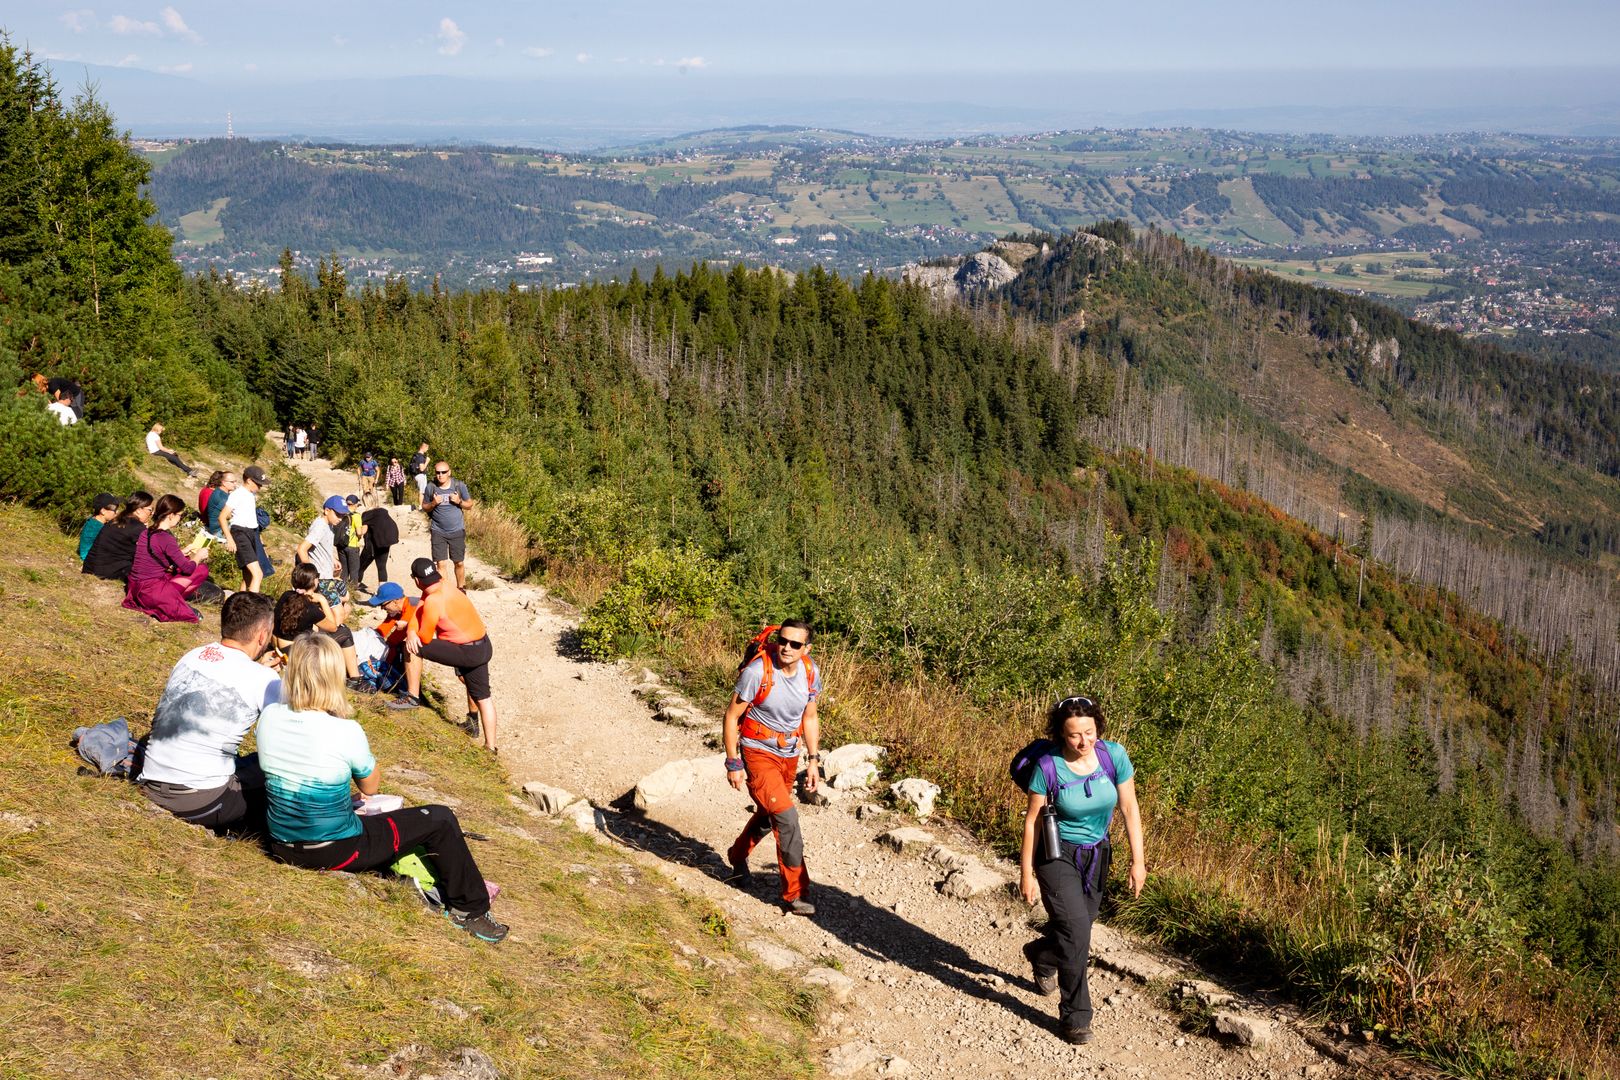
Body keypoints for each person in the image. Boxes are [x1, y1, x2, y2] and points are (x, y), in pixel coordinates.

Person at [257, 633, 508, 942]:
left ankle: (415, 880)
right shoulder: (345, 730)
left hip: (282, 844)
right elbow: (370, 787)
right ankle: (470, 910)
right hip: (334, 850)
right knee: (439, 819)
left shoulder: (269, 717)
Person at [1018, 695, 1146, 1046]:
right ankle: (1076, 1017)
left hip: (1096, 855)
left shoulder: (1113, 756)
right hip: (1055, 855)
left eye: (1089, 732)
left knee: (1079, 927)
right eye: (1074, 735)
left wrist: (1139, 861)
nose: (1083, 741)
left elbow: (1129, 808)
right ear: (1061, 734)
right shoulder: (1047, 767)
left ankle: (1042, 956)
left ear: (1098, 728)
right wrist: (1026, 872)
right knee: (1077, 933)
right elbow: (1031, 823)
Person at [136, 592, 281, 834]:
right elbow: (288, 740)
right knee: (272, 767)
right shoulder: (264, 679)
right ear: (262, 635)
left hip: (151, 783)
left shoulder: (192, 656)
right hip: (202, 802)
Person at [722, 620, 822, 916]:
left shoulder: (809, 671)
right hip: (757, 751)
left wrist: (813, 761)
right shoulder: (757, 672)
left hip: (789, 754)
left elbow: (811, 717)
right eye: (783, 641)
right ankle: (795, 894)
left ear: (807, 649)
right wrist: (733, 762)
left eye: (795, 644)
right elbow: (731, 716)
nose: (786, 648)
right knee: (788, 819)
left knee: (769, 816)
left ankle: (736, 856)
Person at [388, 558, 497, 752]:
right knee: (482, 695)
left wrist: (411, 634)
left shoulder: (433, 600)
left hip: (466, 650)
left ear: (415, 580)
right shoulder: (442, 584)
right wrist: (411, 629)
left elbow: (425, 638)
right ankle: (490, 746)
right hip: (482, 645)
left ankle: (412, 697)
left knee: (411, 646)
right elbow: (417, 613)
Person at [123, 493, 213, 623]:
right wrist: (198, 556)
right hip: (151, 592)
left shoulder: (146, 532)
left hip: (135, 587)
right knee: (202, 569)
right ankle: (175, 600)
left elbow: (156, 557)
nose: (180, 519)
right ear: (171, 515)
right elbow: (188, 569)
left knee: (187, 563)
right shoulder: (166, 538)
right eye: (180, 515)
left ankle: (173, 598)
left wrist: (184, 551)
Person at [219, 465, 270, 592]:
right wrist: (229, 539)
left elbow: (250, 518)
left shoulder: (251, 495)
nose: (260, 487)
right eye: (258, 484)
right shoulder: (238, 494)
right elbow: (222, 517)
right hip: (240, 534)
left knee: (248, 575)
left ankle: (240, 603)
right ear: (249, 480)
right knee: (258, 574)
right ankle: (253, 606)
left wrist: (259, 539)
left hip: (252, 533)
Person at [82, 491, 154, 581]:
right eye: (150, 510)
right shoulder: (137, 527)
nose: (151, 514)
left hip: (90, 567)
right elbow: (148, 554)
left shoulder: (116, 520)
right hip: (104, 572)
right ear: (139, 510)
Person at [422, 460, 472, 589]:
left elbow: (470, 505)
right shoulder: (431, 487)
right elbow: (425, 507)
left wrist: (459, 501)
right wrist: (433, 503)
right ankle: (446, 592)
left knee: (459, 563)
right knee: (441, 564)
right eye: (438, 472)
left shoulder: (459, 486)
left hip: (457, 530)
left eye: (443, 472)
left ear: (449, 472)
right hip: (438, 531)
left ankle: (461, 589)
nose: (440, 475)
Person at [297, 496, 348, 579]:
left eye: (343, 516)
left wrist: (332, 559)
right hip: (319, 577)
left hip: (326, 574)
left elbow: (323, 547)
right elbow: (302, 549)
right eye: (338, 515)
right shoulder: (320, 526)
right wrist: (310, 574)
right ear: (327, 511)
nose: (340, 519)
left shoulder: (329, 525)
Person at [358, 499, 398, 586]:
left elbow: (363, 531)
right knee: (381, 567)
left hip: (371, 546)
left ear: (365, 502)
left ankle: (355, 585)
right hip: (385, 543)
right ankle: (383, 590)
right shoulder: (382, 511)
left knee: (360, 566)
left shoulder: (367, 514)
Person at [77, 492, 121, 561]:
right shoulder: (95, 527)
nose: (117, 512)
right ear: (103, 511)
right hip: (91, 559)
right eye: (115, 510)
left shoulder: (95, 522)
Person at [338, 494, 364, 590]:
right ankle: (352, 592)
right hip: (353, 546)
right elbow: (359, 532)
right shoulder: (356, 516)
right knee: (354, 571)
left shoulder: (341, 514)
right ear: (355, 504)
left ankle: (342, 589)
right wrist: (360, 536)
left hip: (341, 545)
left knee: (344, 570)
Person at [203, 471, 237, 540]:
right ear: (224, 483)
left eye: (235, 481)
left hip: (218, 528)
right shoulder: (221, 498)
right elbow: (229, 516)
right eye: (232, 482)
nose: (235, 484)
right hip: (218, 531)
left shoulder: (220, 491)